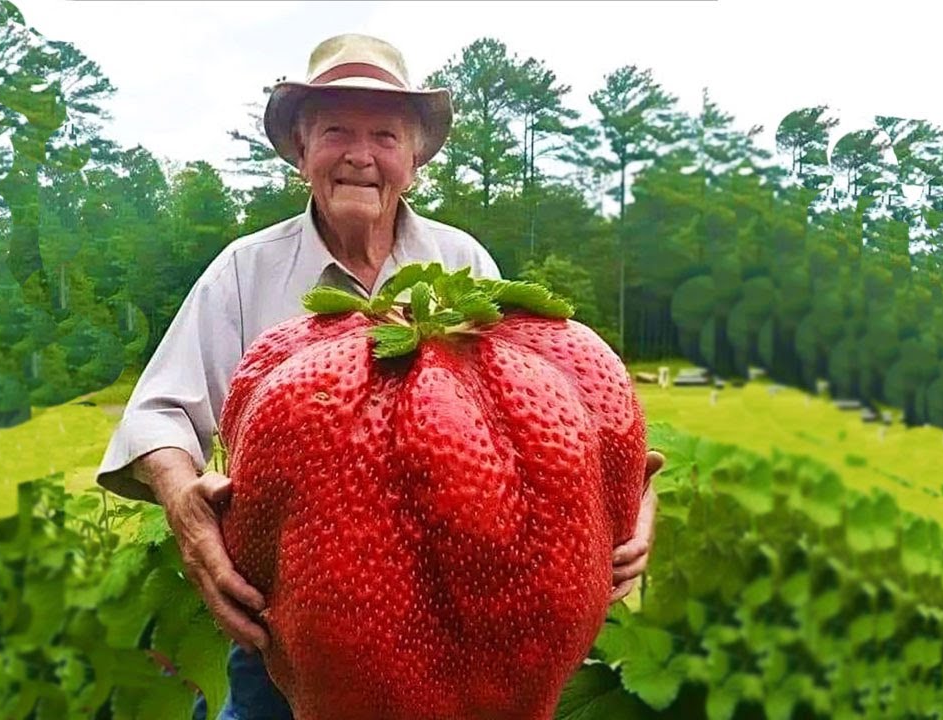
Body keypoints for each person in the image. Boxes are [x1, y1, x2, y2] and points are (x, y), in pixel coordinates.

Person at [94, 32, 666, 720]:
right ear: (302, 153)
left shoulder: (461, 264)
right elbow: (159, 412)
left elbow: (546, 405)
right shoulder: (246, 270)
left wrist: (624, 495)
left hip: (469, 625)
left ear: (414, 160)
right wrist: (183, 503)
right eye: (337, 131)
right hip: (293, 625)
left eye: (386, 135)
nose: (361, 155)